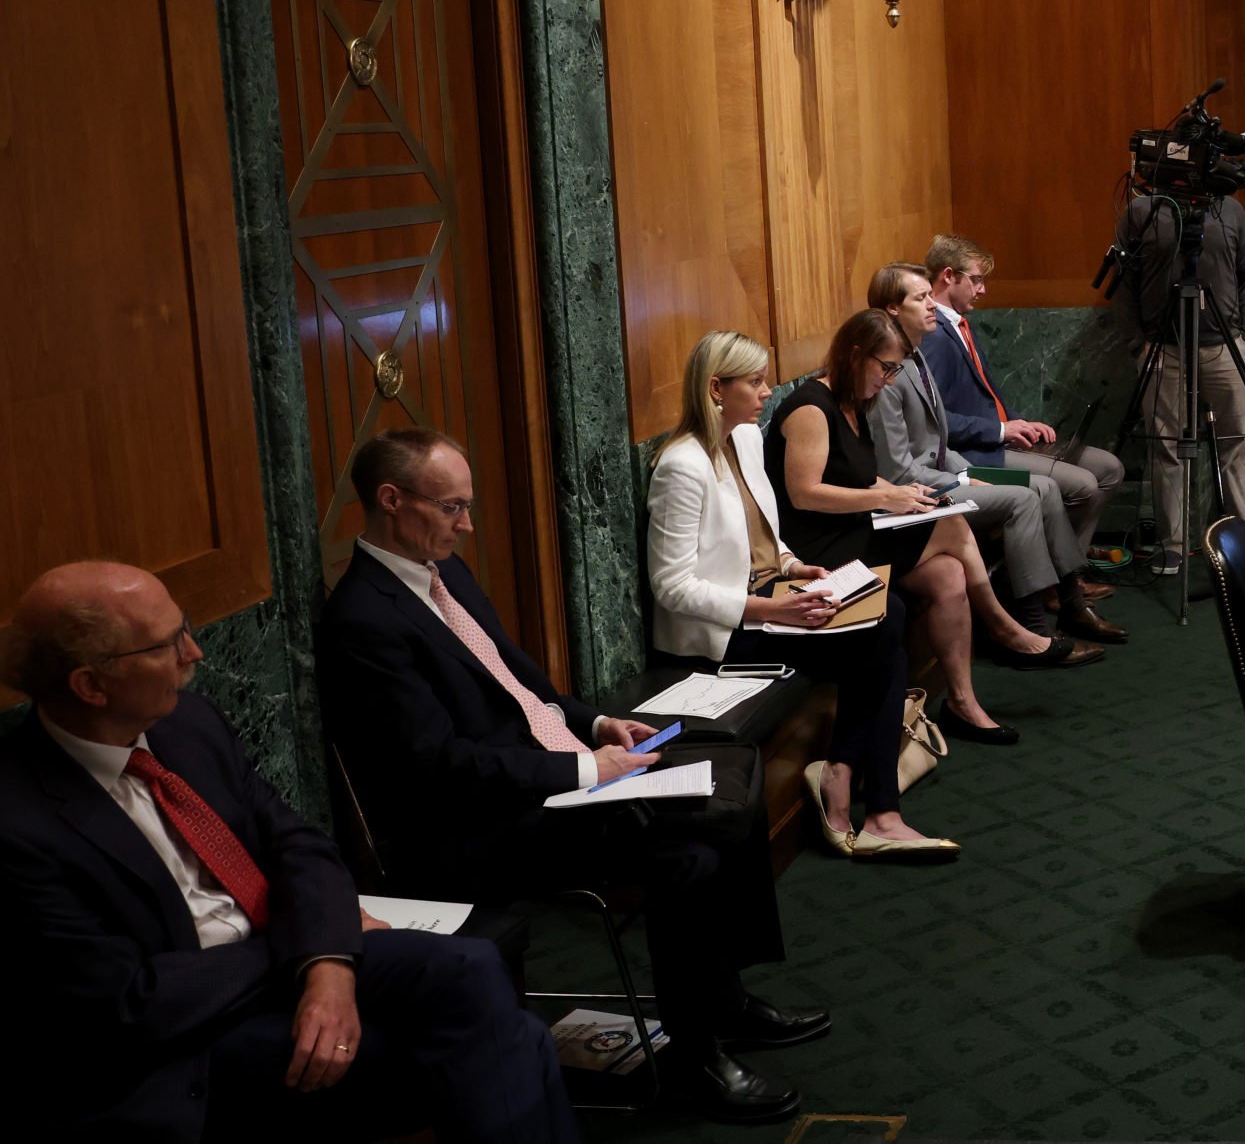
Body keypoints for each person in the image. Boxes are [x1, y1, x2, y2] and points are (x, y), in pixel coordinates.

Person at [317, 429, 824, 1125]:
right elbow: (436, 767)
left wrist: (594, 726)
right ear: (390, 500)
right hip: (475, 827)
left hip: (547, 779)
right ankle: (697, 1060)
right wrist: (583, 768)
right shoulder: (362, 620)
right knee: (692, 849)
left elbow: (519, 681)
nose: (466, 524)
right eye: (451, 508)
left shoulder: (443, 570)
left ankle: (722, 1006)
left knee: (730, 771)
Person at [0, 559, 578, 1144]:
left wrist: (326, 965)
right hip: (184, 1044)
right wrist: (306, 950)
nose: (194, 653)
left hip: (278, 964)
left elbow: (298, 844)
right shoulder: (20, 822)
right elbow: (127, 1006)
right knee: (507, 1039)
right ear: (91, 685)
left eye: (187, 627)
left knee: (473, 966)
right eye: (166, 643)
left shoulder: (187, 728)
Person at [648, 329, 956, 861]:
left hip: (773, 595)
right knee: (880, 637)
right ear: (717, 388)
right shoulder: (681, 465)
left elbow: (765, 533)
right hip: (730, 629)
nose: (768, 391)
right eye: (755, 382)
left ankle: (856, 787)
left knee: (890, 610)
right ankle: (867, 802)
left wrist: (795, 566)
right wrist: (772, 606)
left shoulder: (744, 437)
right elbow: (672, 587)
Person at [772, 308, 1104, 749]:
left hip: (853, 525)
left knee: (949, 572)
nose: (889, 379)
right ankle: (1008, 630)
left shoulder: (853, 402)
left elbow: (861, 475)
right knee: (953, 529)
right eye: (886, 367)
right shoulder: (811, 408)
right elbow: (804, 494)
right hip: (818, 547)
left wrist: (906, 494)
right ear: (855, 355)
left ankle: (963, 703)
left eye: (896, 370)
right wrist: (885, 498)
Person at [866, 262, 1125, 646]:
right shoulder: (886, 373)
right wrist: (964, 479)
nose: (931, 305)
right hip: (922, 491)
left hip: (953, 471)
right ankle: (1035, 627)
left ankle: (1071, 603)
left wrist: (967, 471)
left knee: (1046, 488)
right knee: (1022, 498)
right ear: (892, 309)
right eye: (920, 298)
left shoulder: (915, 356)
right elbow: (900, 470)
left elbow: (940, 443)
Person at [919, 234, 1128, 565]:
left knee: (1110, 468)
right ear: (948, 275)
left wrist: (1020, 423)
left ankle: (1069, 562)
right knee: (1084, 483)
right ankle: (1064, 577)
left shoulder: (959, 324)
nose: (983, 289)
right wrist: (1002, 432)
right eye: (976, 280)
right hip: (977, 452)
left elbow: (986, 396)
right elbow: (936, 420)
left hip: (999, 438)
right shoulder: (933, 335)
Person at [1107, 194, 1245, 560]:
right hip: (1163, 347)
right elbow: (1125, 280)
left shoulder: (1231, 208)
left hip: (1224, 345)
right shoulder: (1143, 211)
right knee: (1166, 447)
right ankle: (1172, 547)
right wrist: (1137, 343)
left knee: (1234, 447)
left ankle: (1240, 543)